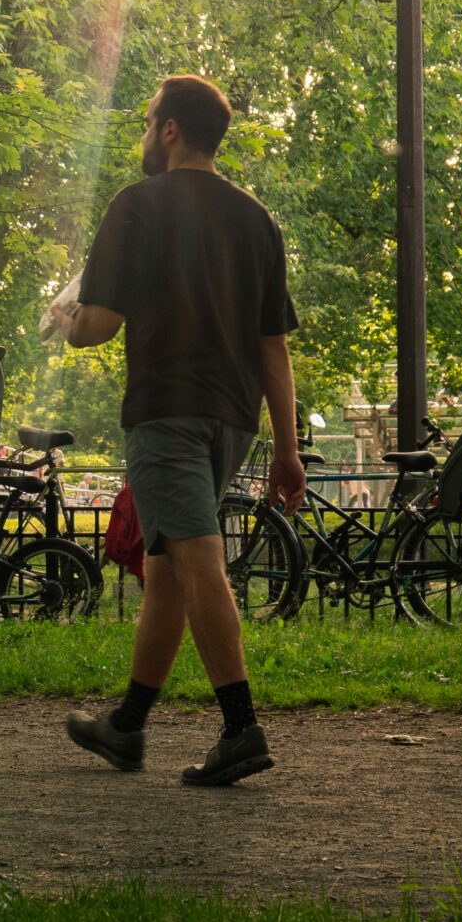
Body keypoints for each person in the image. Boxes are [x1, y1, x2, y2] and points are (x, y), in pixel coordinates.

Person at [47, 73, 304, 786]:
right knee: (165, 569)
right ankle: (127, 727)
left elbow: (99, 325)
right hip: (233, 420)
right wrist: (286, 450)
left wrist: (67, 320)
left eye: (148, 120)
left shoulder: (136, 205)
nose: (143, 132)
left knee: (197, 563)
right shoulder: (256, 220)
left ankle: (241, 729)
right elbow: (273, 347)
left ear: (169, 130)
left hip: (166, 414)